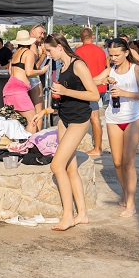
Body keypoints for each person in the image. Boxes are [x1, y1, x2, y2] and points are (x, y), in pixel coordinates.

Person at [43, 33, 99, 231]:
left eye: (49, 50)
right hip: (64, 117)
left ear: (59, 46)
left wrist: (65, 92)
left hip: (78, 119)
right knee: (69, 168)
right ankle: (81, 214)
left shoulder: (78, 65)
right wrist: (50, 108)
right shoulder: (62, 65)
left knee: (56, 166)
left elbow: (94, 94)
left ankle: (67, 216)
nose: (48, 54)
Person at [93, 38, 139, 218]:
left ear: (126, 53)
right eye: (111, 55)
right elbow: (91, 81)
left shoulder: (136, 70)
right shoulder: (111, 70)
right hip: (113, 118)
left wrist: (124, 93)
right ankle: (125, 191)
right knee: (117, 162)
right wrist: (104, 80)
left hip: (133, 118)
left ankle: (131, 204)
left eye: (117, 55)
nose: (113, 58)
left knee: (128, 162)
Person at [74, 28, 107, 157]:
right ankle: (96, 146)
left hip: (88, 88)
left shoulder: (78, 51)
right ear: (92, 37)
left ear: (80, 38)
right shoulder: (101, 51)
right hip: (101, 87)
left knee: (94, 118)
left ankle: (97, 148)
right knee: (95, 118)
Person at [2, 30, 40, 134]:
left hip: (8, 90)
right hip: (18, 91)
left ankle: (18, 146)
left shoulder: (15, 54)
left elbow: (10, 71)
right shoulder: (29, 53)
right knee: (32, 120)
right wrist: (42, 71)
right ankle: (30, 147)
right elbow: (29, 72)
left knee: (15, 122)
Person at [27, 24, 50, 116]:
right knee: (38, 110)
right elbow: (34, 66)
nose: (43, 36)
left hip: (25, 80)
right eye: (41, 33)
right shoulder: (32, 45)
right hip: (33, 79)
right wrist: (44, 54)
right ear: (32, 32)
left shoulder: (23, 47)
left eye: (43, 33)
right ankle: (38, 130)